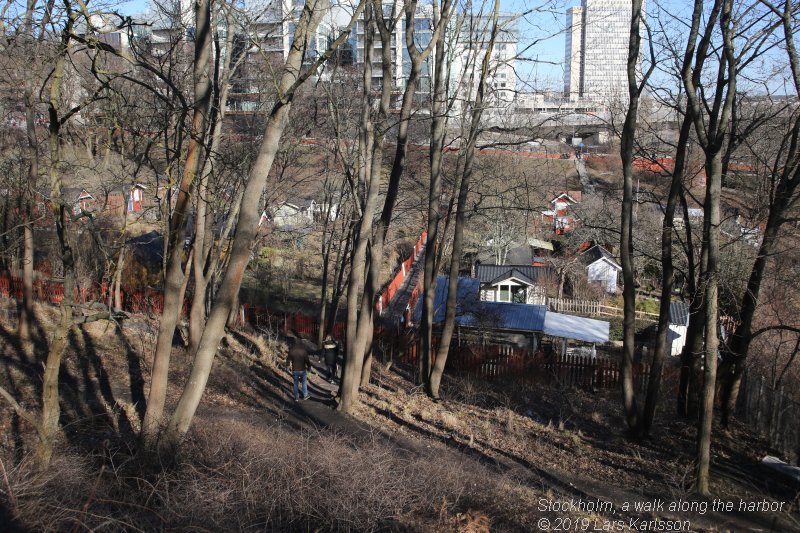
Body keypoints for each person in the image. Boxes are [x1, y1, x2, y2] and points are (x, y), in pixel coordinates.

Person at [287, 336, 312, 401]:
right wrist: (309, 366)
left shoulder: (291, 350)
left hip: (295, 369)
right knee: (304, 382)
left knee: (295, 383)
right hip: (302, 369)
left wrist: (287, 366)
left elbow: (288, 360)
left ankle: (296, 397)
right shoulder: (303, 351)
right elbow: (307, 360)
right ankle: (305, 395)